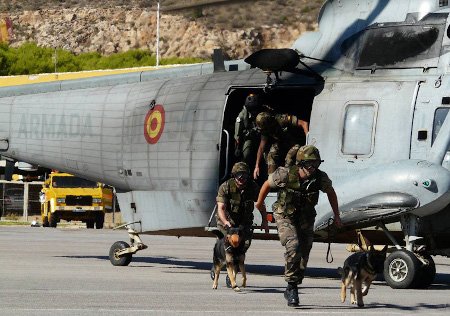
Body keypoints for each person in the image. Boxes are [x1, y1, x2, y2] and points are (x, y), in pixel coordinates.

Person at [255, 145, 343, 307]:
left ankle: (294, 282)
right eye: (310, 164)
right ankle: (291, 286)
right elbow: (267, 185)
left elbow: (331, 192)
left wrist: (336, 215)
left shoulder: (319, 178)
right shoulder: (285, 174)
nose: (313, 168)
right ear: (301, 163)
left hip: (306, 218)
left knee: (304, 253)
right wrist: (260, 204)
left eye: (316, 164)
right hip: (285, 215)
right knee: (293, 246)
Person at [216, 162, 269, 252]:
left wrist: (265, 221)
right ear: (234, 176)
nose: (241, 178)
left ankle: (236, 262)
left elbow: (261, 205)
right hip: (228, 221)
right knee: (225, 246)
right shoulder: (226, 187)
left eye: (244, 175)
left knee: (244, 245)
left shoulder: (253, 187)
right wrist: (225, 222)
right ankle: (226, 263)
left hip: (244, 222)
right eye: (238, 175)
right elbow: (221, 208)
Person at [253, 112, 309, 179]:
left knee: (289, 158)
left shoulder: (282, 119)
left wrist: (308, 142)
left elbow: (304, 123)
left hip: (294, 143)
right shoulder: (265, 129)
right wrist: (257, 166)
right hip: (282, 143)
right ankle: (272, 180)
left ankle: (289, 180)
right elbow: (261, 147)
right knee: (271, 155)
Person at [234, 94, 262, 169]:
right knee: (246, 154)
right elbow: (237, 135)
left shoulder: (260, 111)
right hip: (248, 137)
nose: (254, 112)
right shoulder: (242, 116)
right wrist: (237, 148)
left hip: (261, 136)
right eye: (253, 110)